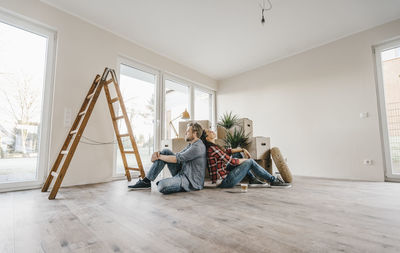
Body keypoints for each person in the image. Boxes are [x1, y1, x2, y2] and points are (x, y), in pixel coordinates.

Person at [128, 122, 207, 194]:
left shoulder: (197, 147)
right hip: (182, 173)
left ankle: (170, 183)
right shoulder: (191, 145)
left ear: (195, 133)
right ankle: (146, 181)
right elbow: (177, 155)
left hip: (190, 182)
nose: (185, 133)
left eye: (188, 131)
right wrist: (158, 154)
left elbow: (176, 159)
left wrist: (159, 157)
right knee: (166, 151)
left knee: (161, 186)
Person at [200, 129, 291, 188]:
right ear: (207, 138)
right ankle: (273, 181)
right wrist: (247, 161)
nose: (212, 131)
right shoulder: (212, 149)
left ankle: (252, 179)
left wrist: (243, 150)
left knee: (237, 154)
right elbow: (233, 161)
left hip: (223, 177)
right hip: (225, 182)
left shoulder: (213, 147)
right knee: (250, 162)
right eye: (210, 132)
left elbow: (227, 151)